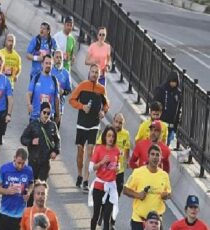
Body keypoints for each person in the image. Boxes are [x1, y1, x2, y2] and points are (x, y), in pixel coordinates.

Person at [69, 64, 109, 192]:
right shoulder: (82, 85)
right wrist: (82, 107)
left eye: (97, 72)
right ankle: (80, 174)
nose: (94, 74)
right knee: (80, 152)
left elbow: (106, 105)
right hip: (81, 124)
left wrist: (103, 112)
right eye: (92, 72)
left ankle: (86, 180)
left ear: (99, 74)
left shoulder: (101, 89)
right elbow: (71, 100)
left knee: (90, 152)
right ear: (89, 72)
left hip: (94, 124)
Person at [123, 144, 172, 230]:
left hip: (156, 222)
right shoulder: (138, 172)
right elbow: (125, 190)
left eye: (157, 155)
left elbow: (169, 193)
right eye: (152, 154)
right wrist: (138, 195)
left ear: (160, 158)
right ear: (148, 157)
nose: (155, 157)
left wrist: (166, 195)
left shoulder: (164, 175)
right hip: (139, 220)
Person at [96, 113, 130, 228]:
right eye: (116, 121)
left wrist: (127, 160)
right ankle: (106, 219)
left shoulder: (126, 134)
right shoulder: (108, 132)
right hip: (107, 171)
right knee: (106, 196)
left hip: (119, 172)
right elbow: (98, 147)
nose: (117, 124)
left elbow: (127, 148)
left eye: (120, 123)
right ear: (113, 121)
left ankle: (110, 219)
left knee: (115, 198)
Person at [88, 126, 119, 230]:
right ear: (105, 137)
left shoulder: (116, 151)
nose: (111, 138)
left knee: (107, 216)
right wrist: (101, 163)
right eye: (109, 136)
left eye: (113, 136)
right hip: (99, 186)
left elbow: (116, 166)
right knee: (96, 215)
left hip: (111, 187)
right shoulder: (99, 149)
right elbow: (90, 169)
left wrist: (117, 168)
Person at [20, 102, 60, 183]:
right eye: (44, 112)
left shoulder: (53, 125)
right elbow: (23, 139)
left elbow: (57, 140)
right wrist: (31, 142)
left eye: (48, 113)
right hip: (33, 161)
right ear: (40, 112)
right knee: (31, 185)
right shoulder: (33, 124)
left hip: (45, 162)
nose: (46, 115)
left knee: (41, 185)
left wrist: (55, 151)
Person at [0, 148, 34, 230]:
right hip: (5, 213)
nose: (20, 166)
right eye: (18, 163)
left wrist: (29, 193)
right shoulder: (4, 169)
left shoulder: (28, 170)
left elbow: (31, 184)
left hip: (20, 215)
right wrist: (7, 191)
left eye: (23, 164)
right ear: (14, 158)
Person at [27, 54, 60, 123]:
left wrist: (58, 115)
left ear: (52, 65)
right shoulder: (36, 78)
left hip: (48, 118)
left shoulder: (54, 80)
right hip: (35, 117)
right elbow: (29, 94)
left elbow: (57, 99)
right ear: (42, 64)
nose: (48, 65)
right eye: (46, 63)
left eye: (50, 63)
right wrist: (29, 104)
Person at [153, 70, 182, 146]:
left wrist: (175, 127)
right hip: (160, 123)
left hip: (171, 126)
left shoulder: (178, 94)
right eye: (172, 81)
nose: (173, 83)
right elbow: (155, 105)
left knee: (166, 146)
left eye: (175, 82)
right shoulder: (161, 90)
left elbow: (179, 110)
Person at [51, 50, 71, 127]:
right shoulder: (49, 70)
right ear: (53, 59)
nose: (59, 59)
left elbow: (69, 90)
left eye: (60, 57)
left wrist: (63, 92)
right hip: (48, 105)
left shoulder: (66, 73)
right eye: (57, 57)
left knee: (55, 131)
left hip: (59, 107)